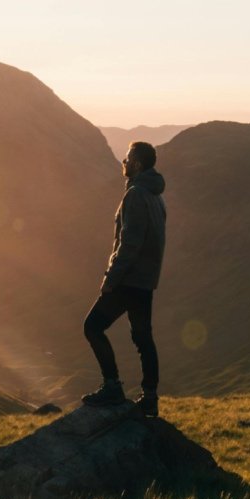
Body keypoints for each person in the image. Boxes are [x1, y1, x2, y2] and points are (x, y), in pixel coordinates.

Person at [81, 141, 167, 416]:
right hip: (145, 281)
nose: (124, 162)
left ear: (138, 164)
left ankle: (112, 387)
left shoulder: (135, 195)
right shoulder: (156, 196)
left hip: (128, 279)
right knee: (143, 338)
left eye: (128, 158)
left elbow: (129, 244)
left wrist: (111, 278)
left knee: (93, 327)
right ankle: (150, 397)